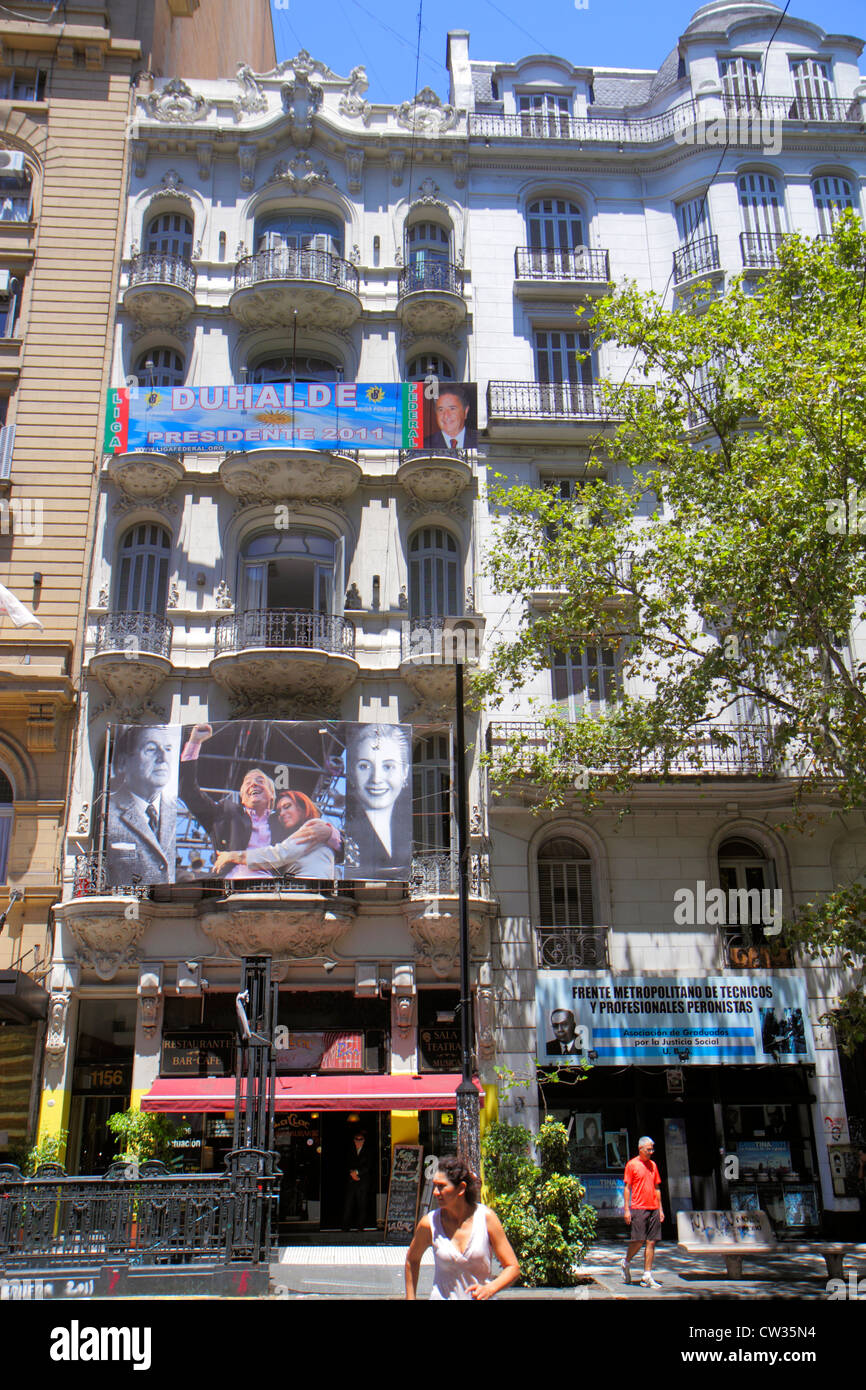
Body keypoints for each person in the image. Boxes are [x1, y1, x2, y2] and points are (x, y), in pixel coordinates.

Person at [179, 723, 337, 876]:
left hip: (275, 892)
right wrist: (194, 743)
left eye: (260, 781)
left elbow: (322, 836)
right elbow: (189, 792)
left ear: (272, 795)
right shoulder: (225, 813)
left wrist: (330, 833)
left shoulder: (284, 820)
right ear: (242, 797)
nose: (253, 783)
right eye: (247, 782)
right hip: (232, 886)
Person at [404, 1157, 520, 1301]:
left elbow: (513, 1267)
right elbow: (411, 1260)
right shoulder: (429, 1223)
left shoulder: (486, 1218)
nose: (435, 1192)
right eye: (434, 1186)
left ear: (461, 1188)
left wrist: (490, 1288)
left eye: (441, 1186)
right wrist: (410, 1297)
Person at [105, 725, 178, 884]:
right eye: (151, 749)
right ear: (123, 762)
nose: (163, 757)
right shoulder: (106, 812)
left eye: (168, 749)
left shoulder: (176, 811)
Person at [212, 788, 337, 880]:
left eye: (287, 806)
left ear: (302, 807)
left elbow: (280, 854)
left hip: (309, 897)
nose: (282, 813)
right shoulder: (300, 836)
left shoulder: (314, 826)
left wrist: (233, 856)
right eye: (278, 811)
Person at [344, 723, 411, 880]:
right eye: (364, 766)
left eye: (388, 766)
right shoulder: (344, 829)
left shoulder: (406, 827)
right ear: (352, 773)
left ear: (405, 772)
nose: (376, 779)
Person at [622, 1136, 665, 1289]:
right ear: (640, 1149)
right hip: (639, 1207)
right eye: (648, 1149)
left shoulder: (653, 1165)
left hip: (653, 1207)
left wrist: (660, 1209)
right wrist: (626, 1209)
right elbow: (627, 1188)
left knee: (651, 1241)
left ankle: (647, 1275)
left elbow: (657, 1187)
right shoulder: (632, 1165)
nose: (651, 1152)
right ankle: (626, 1261)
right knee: (638, 1240)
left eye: (652, 1149)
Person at [426, 386, 478, 450]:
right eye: (441, 410)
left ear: (465, 411)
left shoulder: (477, 439)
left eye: (452, 409)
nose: (446, 415)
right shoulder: (426, 444)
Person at [342, 1130, 374, 1232]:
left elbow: (368, 1166)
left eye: (361, 1139)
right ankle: (346, 1226)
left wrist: (357, 1172)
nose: (359, 1141)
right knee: (348, 1204)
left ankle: (360, 1226)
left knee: (362, 1204)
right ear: (354, 1140)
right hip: (351, 1181)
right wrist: (352, 1173)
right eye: (357, 1139)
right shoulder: (349, 1150)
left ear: (364, 1141)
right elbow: (345, 1163)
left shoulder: (368, 1151)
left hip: (362, 1181)